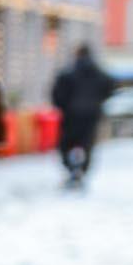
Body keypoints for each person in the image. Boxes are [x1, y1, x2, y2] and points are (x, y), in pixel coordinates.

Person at [51, 43, 114, 190]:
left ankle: (71, 169)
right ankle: (81, 170)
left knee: (66, 145)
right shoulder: (99, 73)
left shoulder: (68, 72)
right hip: (91, 116)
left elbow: (57, 93)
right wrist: (98, 102)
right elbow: (110, 86)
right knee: (87, 145)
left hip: (71, 116)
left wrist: (63, 106)